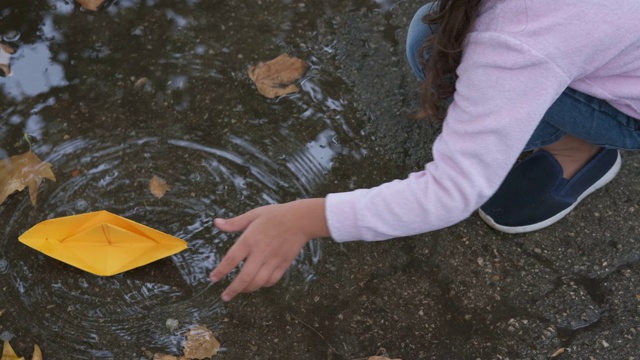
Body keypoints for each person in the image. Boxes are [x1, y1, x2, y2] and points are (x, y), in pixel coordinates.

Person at [210, 0, 640, 302]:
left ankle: (579, 152)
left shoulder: (519, 37)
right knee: (437, 32)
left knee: (437, 50)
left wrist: (300, 220)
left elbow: (450, 192)